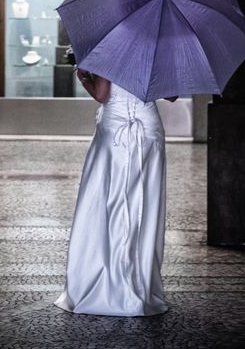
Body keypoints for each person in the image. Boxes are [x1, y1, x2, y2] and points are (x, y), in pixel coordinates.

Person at [53, 68, 177, 317]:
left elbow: (102, 94)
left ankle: (104, 281)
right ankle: (140, 284)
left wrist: (84, 78)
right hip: (148, 127)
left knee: (104, 199)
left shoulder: (111, 48)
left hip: (115, 130)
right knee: (144, 201)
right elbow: (172, 95)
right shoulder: (156, 49)